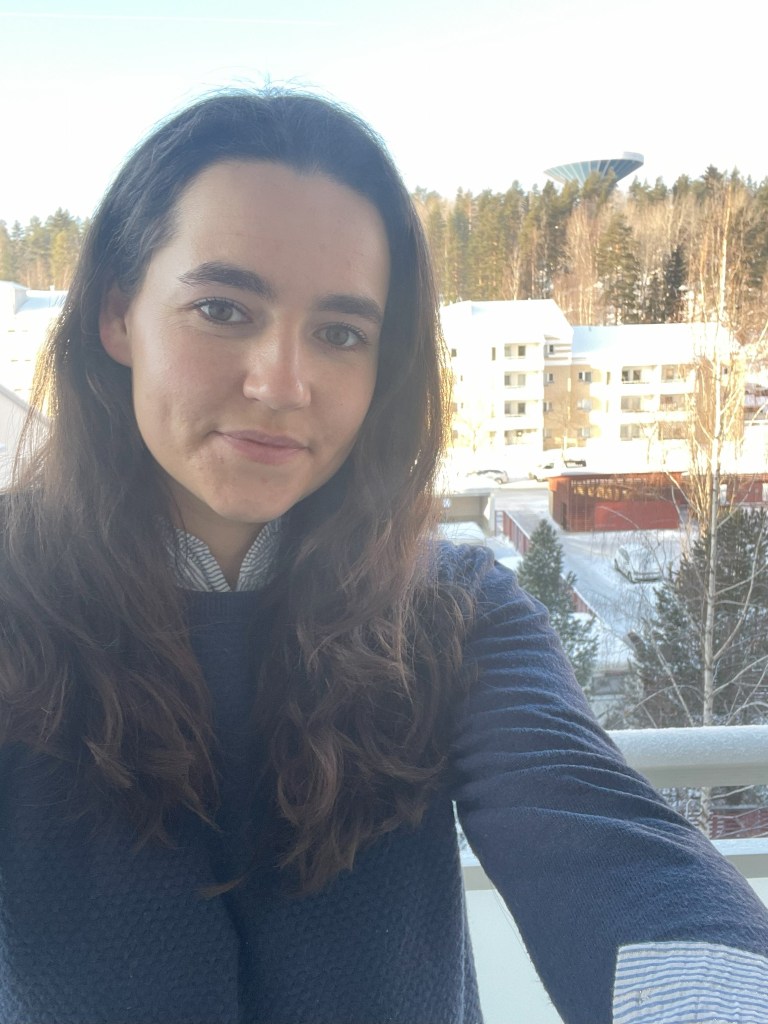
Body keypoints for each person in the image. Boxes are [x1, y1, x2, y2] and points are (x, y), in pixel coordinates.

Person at [1, 89, 767, 1024]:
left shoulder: (448, 610)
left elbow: (600, 838)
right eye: (222, 308)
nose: (283, 383)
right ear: (118, 314)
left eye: (340, 333)